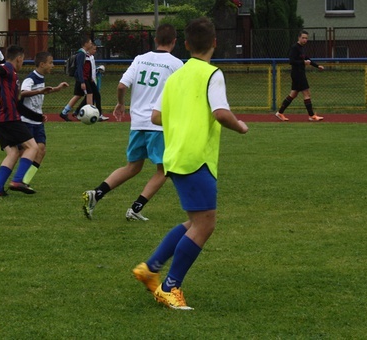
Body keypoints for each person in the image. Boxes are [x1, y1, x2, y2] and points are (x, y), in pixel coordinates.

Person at [132, 17, 248, 311]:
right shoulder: (212, 74)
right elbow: (221, 113)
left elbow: (156, 117)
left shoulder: (176, 76)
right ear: (214, 43)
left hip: (176, 156)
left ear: (185, 44)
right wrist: (241, 126)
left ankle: (150, 269)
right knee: (205, 225)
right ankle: (170, 288)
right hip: (197, 158)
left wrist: (182, 116)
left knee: (194, 222)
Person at [82, 23, 182, 221]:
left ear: (155, 40)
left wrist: (121, 104)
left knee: (132, 167)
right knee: (164, 170)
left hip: (138, 123)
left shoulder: (140, 59)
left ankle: (96, 194)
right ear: (174, 42)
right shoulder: (176, 64)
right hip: (158, 124)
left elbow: (121, 85)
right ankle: (136, 209)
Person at [1, 51, 70, 185]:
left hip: (37, 121)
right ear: (42, 64)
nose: (53, 65)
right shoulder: (30, 78)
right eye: (51, 63)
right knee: (23, 152)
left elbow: (43, 91)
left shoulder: (41, 78)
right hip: (26, 121)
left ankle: (25, 180)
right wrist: (39, 91)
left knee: (41, 150)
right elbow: (24, 93)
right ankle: (2, 139)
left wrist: (57, 88)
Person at [0, 45, 43, 196]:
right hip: (8, 119)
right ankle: (17, 180)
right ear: (19, 58)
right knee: (33, 148)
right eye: (23, 60)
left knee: (14, 153)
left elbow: (17, 104)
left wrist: (37, 117)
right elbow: (0, 68)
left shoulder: (13, 77)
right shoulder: (8, 68)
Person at [275, 30, 325, 122]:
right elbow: (291, 61)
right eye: (303, 38)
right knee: (307, 93)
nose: (305, 40)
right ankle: (312, 116)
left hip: (299, 73)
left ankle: (279, 113)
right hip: (297, 74)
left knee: (293, 94)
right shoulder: (295, 47)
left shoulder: (302, 48)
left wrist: (317, 66)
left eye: (306, 38)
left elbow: (307, 59)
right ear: (299, 38)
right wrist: (303, 62)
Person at [59, 36, 94, 121]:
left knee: (78, 95)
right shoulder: (81, 54)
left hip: (81, 78)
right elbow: (79, 68)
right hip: (82, 78)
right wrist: (82, 81)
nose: (91, 44)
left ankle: (64, 112)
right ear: (85, 44)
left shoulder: (84, 53)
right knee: (89, 93)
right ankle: (90, 114)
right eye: (90, 42)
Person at [73, 43, 108, 121]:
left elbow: (91, 69)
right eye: (94, 49)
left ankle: (77, 112)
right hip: (86, 80)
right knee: (91, 96)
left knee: (94, 96)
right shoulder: (85, 57)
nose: (95, 51)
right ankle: (93, 114)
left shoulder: (91, 57)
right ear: (89, 49)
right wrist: (83, 81)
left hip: (90, 79)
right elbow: (83, 70)